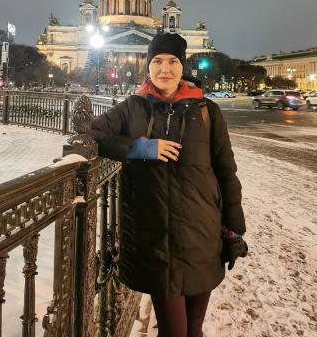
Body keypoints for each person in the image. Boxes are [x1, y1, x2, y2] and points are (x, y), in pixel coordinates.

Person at [90, 33, 247, 337]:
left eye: (173, 61)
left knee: (194, 330)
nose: (165, 69)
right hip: (157, 241)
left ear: (182, 66)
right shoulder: (133, 108)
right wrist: (141, 148)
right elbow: (89, 133)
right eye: (157, 61)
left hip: (201, 237)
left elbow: (227, 173)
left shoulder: (207, 111)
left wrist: (235, 230)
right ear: (147, 66)